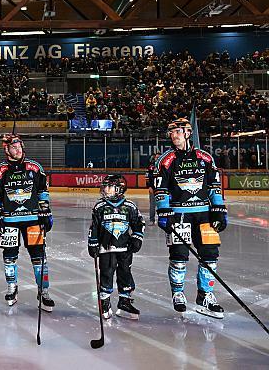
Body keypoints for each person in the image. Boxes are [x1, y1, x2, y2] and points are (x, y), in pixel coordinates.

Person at [154, 118, 227, 318]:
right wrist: (163, 211)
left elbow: (214, 186)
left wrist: (219, 209)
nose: (173, 136)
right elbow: (160, 188)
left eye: (176, 132)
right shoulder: (166, 159)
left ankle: (205, 295)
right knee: (179, 257)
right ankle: (178, 293)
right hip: (179, 215)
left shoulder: (205, 158)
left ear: (187, 133)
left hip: (204, 215)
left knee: (210, 256)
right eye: (170, 132)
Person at [0, 133, 54, 310]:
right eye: (14, 147)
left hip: (33, 219)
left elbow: (42, 192)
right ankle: (12, 287)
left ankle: (43, 291)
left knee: (39, 257)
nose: (18, 150)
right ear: (6, 150)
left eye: (19, 147)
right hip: (9, 221)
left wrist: (46, 212)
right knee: (9, 257)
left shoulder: (35, 167)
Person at [88, 175, 145, 319]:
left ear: (119, 189)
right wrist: (93, 243)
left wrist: (137, 238)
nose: (104, 189)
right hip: (106, 249)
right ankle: (105, 302)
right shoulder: (100, 206)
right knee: (106, 274)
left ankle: (125, 302)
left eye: (108, 186)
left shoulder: (130, 206)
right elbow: (93, 227)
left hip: (125, 248)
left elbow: (139, 223)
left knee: (125, 274)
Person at [146, 153, 161, 224]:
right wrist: (149, 186)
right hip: (153, 188)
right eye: (156, 157)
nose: (157, 158)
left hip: (162, 189)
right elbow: (148, 177)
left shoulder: (164, 165)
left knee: (162, 205)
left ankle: (162, 220)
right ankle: (152, 220)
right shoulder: (151, 166)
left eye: (159, 157)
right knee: (152, 205)